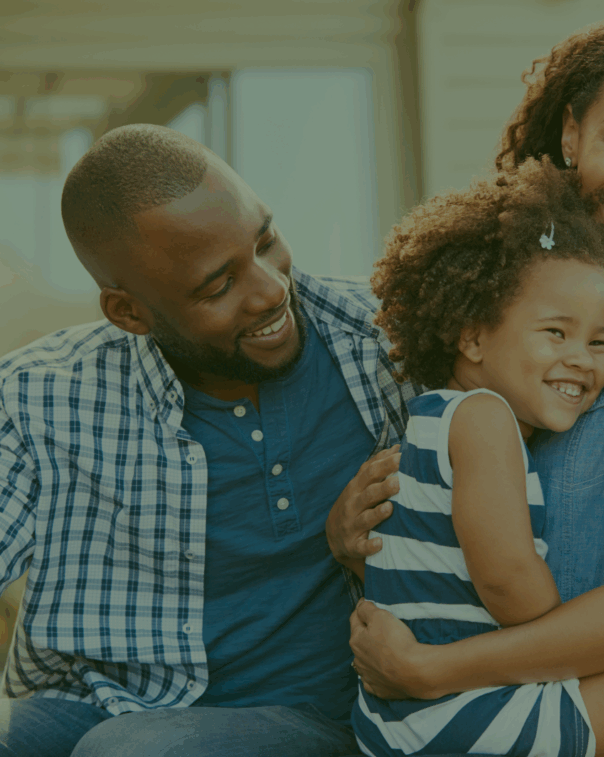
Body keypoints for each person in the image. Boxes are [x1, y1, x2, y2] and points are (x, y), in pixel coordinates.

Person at [333, 11, 604, 747]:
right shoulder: (502, 299)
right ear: (572, 135)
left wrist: (439, 673)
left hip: (589, 711)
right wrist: (357, 538)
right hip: (490, 715)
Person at [0, 123, 436, 757]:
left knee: (128, 753)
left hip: (321, 719)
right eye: (218, 285)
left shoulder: (390, 347)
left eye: (266, 242)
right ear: (130, 313)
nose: (270, 288)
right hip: (113, 700)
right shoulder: (39, 396)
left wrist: (368, 551)